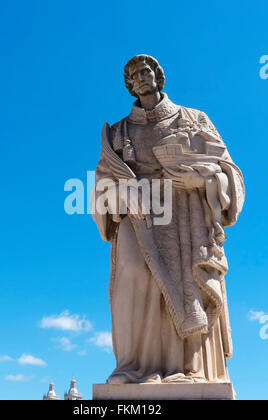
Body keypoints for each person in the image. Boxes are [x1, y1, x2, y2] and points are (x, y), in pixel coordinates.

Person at [91, 55, 244, 385]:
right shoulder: (118, 132)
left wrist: (202, 182)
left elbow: (229, 171)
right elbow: (102, 184)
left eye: (146, 71)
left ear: (158, 76)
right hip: (138, 215)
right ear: (129, 85)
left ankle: (187, 369)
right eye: (133, 76)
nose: (141, 78)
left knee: (185, 284)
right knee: (133, 277)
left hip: (186, 214)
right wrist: (119, 197)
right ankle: (135, 368)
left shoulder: (194, 118)